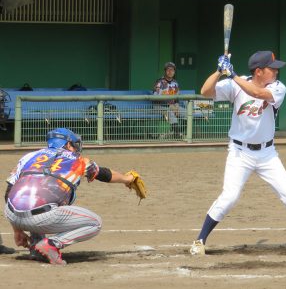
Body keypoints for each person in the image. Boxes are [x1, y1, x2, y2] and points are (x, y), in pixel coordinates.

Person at [189, 51, 286, 257]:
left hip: (267, 153)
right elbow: (205, 91)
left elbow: (258, 94)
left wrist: (232, 74)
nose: (277, 71)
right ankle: (199, 241)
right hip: (239, 152)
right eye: (272, 68)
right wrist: (219, 71)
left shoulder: (277, 87)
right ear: (259, 71)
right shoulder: (237, 83)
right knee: (230, 197)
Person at [3, 128, 136, 265]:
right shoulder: (78, 160)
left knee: (35, 196)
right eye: (74, 144)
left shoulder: (29, 156)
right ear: (67, 144)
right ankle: (52, 243)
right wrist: (127, 179)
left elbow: (8, 193)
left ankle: (36, 247)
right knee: (95, 223)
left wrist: (17, 229)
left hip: (12, 214)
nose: (76, 147)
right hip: (41, 217)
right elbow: (105, 174)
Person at [152, 61, 183, 137]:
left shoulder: (175, 83)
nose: (170, 71)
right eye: (168, 69)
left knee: (187, 112)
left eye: (172, 70)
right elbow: (155, 97)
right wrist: (170, 106)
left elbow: (177, 97)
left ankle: (175, 132)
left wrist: (177, 105)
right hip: (159, 106)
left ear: (174, 72)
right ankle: (177, 135)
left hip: (172, 106)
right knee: (171, 113)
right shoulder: (159, 82)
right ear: (165, 71)